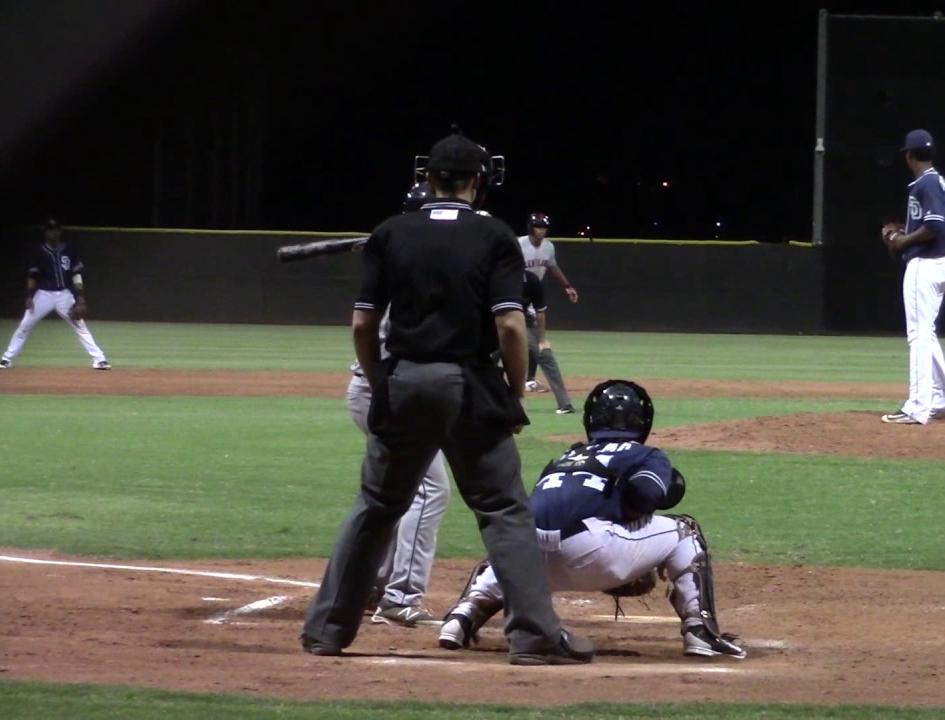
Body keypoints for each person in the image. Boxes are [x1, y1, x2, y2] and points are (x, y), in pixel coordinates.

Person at [301, 128, 594, 666]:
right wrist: (513, 394)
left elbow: (363, 323)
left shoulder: (391, 232)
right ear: (479, 182)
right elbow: (510, 325)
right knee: (503, 510)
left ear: (427, 177)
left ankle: (327, 630)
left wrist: (383, 383)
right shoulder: (496, 236)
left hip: (404, 379)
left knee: (377, 507)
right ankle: (534, 637)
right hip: (469, 386)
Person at [439, 379, 747, 659]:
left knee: (510, 542)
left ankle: (461, 618)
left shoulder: (566, 456)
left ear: (590, 419)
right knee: (685, 530)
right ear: (643, 421)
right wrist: (628, 533)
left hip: (529, 565)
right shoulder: (645, 454)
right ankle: (700, 631)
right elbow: (645, 494)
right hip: (593, 554)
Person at [342, 182, 451, 628]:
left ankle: (370, 584)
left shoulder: (399, 260)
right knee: (430, 489)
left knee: (394, 492)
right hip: (384, 391)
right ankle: (400, 596)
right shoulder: (411, 267)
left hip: (379, 391)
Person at [880, 129, 945, 425]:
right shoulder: (935, 181)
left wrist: (902, 240)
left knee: (918, 334)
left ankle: (917, 406)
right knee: (927, 332)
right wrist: (907, 234)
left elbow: (935, 226)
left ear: (909, 155)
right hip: (941, 263)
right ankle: (942, 400)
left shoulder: (926, 183)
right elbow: (934, 223)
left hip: (926, 264)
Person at [0, 218, 111, 370]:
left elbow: (76, 274)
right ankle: (7, 358)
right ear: (46, 232)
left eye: (56, 229)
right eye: (50, 230)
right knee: (24, 326)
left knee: (80, 325)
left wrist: (80, 297)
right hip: (43, 295)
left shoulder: (69, 250)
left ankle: (99, 360)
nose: (54, 232)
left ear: (60, 232)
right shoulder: (38, 252)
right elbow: (32, 276)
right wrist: (29, 296)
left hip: (64, 295)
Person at [522, 270, 575, 414]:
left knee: (545, 354)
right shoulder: (498, 276)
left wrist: (542, 340)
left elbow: (540, 311)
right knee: (487, 358)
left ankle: (565, 404)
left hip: (524, 320)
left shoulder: (531, 280)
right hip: (496, 321)